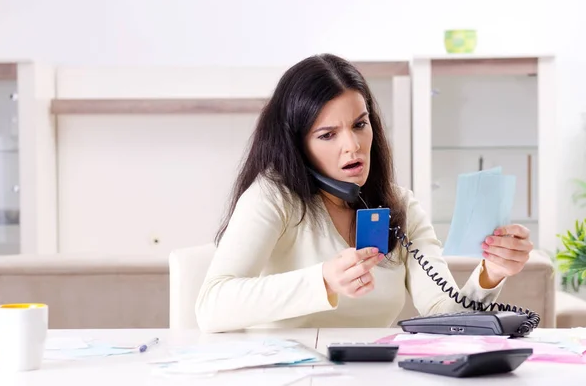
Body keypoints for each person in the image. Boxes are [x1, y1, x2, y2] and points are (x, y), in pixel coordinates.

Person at [195, 53, 533, 333]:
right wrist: (323, 280)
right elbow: (211, 306)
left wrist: (492, 273)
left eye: (360, 125)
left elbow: (446, 315)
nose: (353, 146)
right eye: (328, 135)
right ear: (297, 145)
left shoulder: (400, 206)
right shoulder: (272, 198)